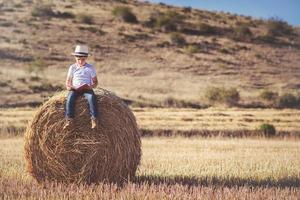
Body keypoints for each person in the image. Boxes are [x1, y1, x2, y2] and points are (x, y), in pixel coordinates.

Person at [64, 44, 98, 129]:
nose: (80, 61)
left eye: (82, 59)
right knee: (70, 98)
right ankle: (69, 120)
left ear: (86, 58)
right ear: (75, 58)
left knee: (91, 98)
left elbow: (95, 82)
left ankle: (94, 120)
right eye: (78, 59)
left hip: (86, 88)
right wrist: (69, 87)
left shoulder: (90, 68)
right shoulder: (72, 67)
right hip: (75, 88)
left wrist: (90, 87)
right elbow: (68, 82)